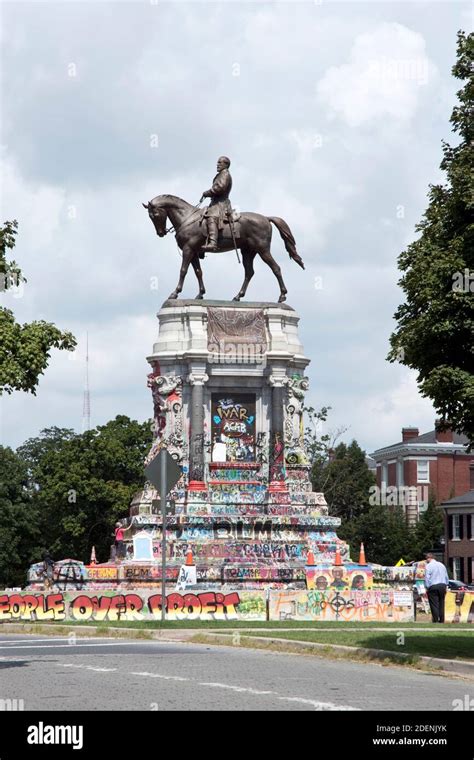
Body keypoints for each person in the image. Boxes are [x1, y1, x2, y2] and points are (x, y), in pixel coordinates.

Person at [200, 156, 233, 252]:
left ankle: (213, 243)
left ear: (226, 165)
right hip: (215, 202)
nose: (217, 164)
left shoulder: (225, 174)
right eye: (217, 163)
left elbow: (220, 188)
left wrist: (207, 192)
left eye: (220, 163)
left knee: (212, 217)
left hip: (221, 204)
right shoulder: (220, 174)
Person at [424, 552, 449, 623]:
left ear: (429, 558)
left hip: (433, 586)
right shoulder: (442, 565)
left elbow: (427, 578)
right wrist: (446, 585)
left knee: (434, 604)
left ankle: (435, 620)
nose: (426, 560)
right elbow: (446, 577)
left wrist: (427, 587)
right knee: (441, 603)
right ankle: (441, 620)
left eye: (426, 559)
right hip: (442, 585)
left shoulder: (428, 566)